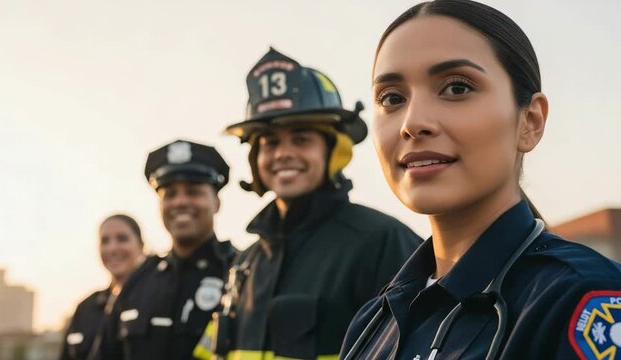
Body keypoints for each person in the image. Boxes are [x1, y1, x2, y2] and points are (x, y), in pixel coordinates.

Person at [340, 1, 621, 359]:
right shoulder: (370, 324)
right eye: (392, 98)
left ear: (530, 121)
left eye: (456, 88)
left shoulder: (583, 302)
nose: (412, 122)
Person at [195, 48, 422, 360]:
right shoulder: (245, 263)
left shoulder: (382, 241)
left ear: (334, 151)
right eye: (270, 143)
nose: (283, 153)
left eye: (301, 139)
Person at [105, 140, 236, 360]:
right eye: (170, 194)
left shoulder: (241, 274)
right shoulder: (137, 281)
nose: (181, 202)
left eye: (193, 192)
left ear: (217, 203)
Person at [60, 214, 145, 360]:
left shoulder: (157, 301)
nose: (112, 248)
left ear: (141, 245)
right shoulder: (85, 308)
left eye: (122, 239)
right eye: (105, 241)